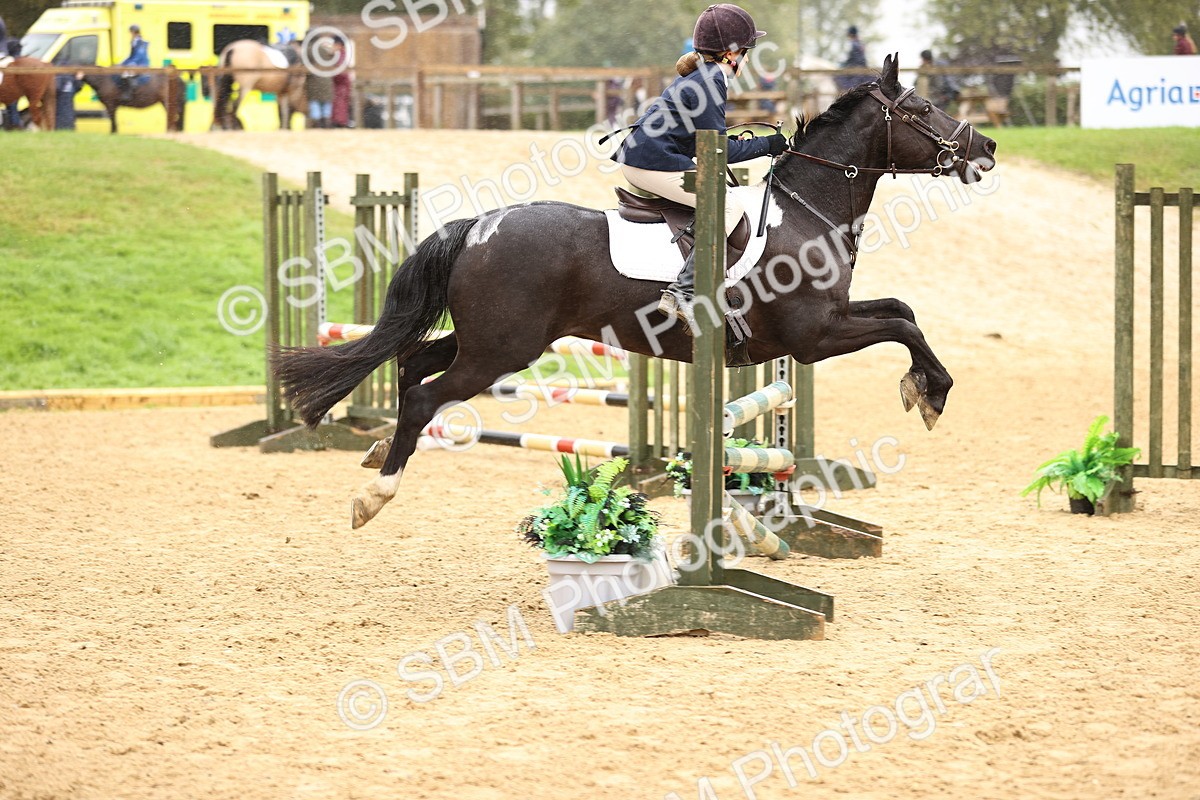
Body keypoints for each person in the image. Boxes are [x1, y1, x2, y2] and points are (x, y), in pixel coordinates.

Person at [613, 3, 787, 333]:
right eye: (747, 51)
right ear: (731, 54)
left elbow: (701, 145)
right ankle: (684, 291)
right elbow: (716, 152)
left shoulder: (703, 76)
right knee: (726, 206)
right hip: (651, 163)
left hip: (647, 158)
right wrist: (767, 144)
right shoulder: (712, 81)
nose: (748, 59)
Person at [118, 24, 150, 104]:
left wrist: (132, 63)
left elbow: (139, 55)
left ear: (134, 32)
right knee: (121, 71)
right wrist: (122, 63)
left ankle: (130, 92)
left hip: (141, 63)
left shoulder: (141, 42)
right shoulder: (133, 41)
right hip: (135, 62)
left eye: (131, 32)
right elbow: (131, 56)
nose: (130, 34)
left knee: (126, 74)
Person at [836, 25, 870, 91]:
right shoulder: (860, 43)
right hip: (862, 69)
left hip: (854, 69)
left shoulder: (852, 44)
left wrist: (841, 64)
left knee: (837, 77)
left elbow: (849, 58)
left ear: (850, 34)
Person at [330, 36, 353, 127]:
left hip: (340, 84)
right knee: (341, 104)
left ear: (339, 45)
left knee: (340, 104)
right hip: (342, 84)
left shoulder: (339, 55)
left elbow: (340, 72)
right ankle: (341, 121)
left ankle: (340, 122)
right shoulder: (342, 54)